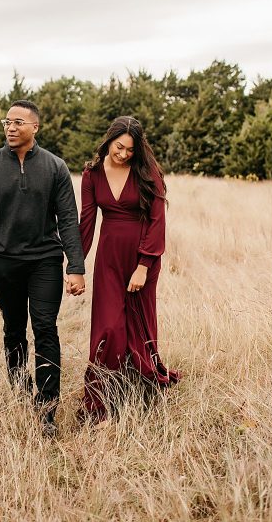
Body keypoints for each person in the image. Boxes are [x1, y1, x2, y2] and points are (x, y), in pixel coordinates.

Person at [0, 99, 86, 437]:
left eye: (19, 122)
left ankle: (48, 408)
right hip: (5, 264)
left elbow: (68, 221)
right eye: (7, 122)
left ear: (35, 127)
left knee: (45, 328)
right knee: (14, 328)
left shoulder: (55, 167)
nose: (11, 127)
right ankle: (21, 391)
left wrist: (75, 265)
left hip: (45, 260)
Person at [78, 116, 179, 422]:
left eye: (129, 150)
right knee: (109, 327)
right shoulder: (92, 174)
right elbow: (86, 221)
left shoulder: (147, 172)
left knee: (139, 324)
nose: (122, 154)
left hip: (141, 257)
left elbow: (156, 220)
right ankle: (101, 399)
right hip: (109, 257)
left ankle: (142, 389)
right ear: (108, 140)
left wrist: (144, 265)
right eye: (118, 147)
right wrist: (75, 265)